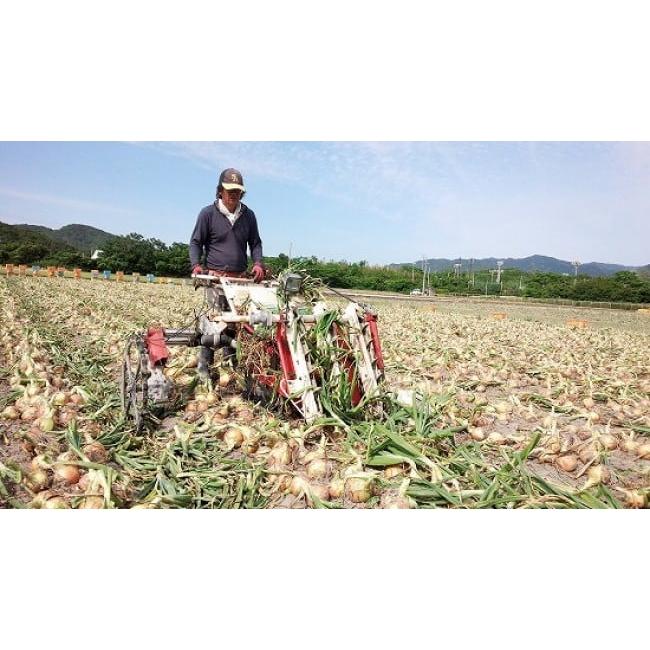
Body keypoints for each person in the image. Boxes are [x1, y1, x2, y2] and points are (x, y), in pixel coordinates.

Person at [189, 167, 265, 379]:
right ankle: (205, 365)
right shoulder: (208, 214)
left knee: (236, 322)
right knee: (214, 322)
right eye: (229, 190)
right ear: (220, 190)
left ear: (242, 193)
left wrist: (258, 263)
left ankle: (231, 364)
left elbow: (255, 243)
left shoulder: (248, 215)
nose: (233, 194)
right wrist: (196, 265)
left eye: (237, 191)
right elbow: (196, 242)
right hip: (215, 278)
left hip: (239, 279)